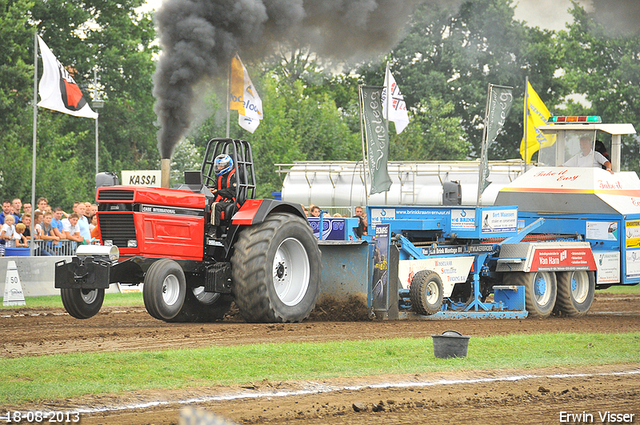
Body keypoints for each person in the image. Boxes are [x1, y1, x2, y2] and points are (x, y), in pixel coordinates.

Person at [209, 154, 237, 234]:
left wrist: (217, 191)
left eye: (221, 166)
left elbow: (231, 193)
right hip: (222, 199)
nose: (219, 168)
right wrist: (211, 190)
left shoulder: (233, 177)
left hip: (231, 201)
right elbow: (217, 187)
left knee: (216, 205)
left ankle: (213, 231)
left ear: (227, 165)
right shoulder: (220, 177)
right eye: (218, 165)